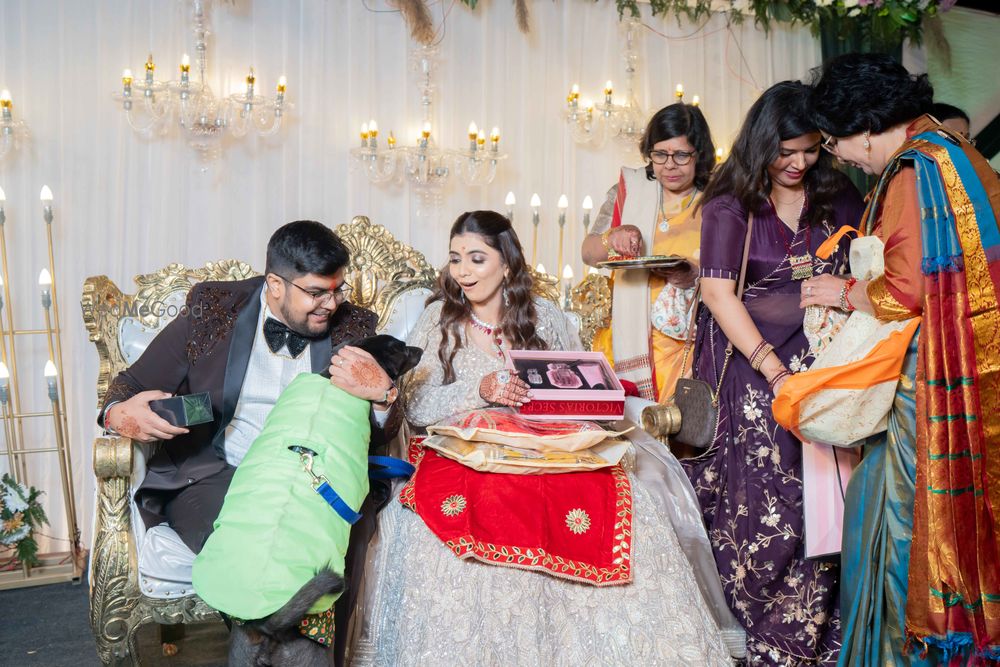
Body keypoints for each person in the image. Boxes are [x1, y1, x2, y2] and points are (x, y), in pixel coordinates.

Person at [351, 210, 743, 665]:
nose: (463, 271)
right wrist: (481, 390)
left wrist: (568, 400)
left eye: (477, 258)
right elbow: (416, 406)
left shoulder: (544, 315)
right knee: (480, 504)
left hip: (552, 444)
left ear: (507, 264)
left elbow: (583, 388)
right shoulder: (441, 318)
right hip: (467, 448)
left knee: (612, 492)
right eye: (456, 258)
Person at [99, 220, 401, 664]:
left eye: (338, 289)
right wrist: (118, 413)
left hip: (312, 477)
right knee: (248, 548)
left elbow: (380, 430)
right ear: (275, 285)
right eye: (317, 292)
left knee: (325, 556)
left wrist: (383, 395)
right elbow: (131, 384)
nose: (332, 303)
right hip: (218, 471)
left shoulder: (352, 326)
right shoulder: (213, 310)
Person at [807, 53, 1000, 664]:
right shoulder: (954, 150)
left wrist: (841, 292)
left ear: (865, 126)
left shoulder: (914, 170)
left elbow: (904, 290)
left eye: (833, 141)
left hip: (926, 383)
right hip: (973, 367)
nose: (838, 155)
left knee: (899, 531)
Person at [681, 81, 865, 665]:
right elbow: (717, 294)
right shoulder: (732, 201)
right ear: (762, 142)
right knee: (767, 500)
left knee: (827, 502)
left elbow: (871, 269)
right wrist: (773, 368)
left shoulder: (837, 193)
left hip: (828, 371)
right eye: (786, 151)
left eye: (810, 150)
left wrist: (842, 294)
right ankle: (760, 638)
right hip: (753, 370)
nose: (798, 163)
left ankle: (820, 637)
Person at [582, 103, 715, 401]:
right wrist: (612, 237)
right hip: (627, 339)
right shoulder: (630, 191)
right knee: (629, 426)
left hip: (691, 344)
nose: (669, 165)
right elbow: (588, 253)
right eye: (660, 154)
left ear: (699, 154)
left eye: (681, 155)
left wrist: (693, 275)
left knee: (685, 425)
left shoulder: (719, 199)